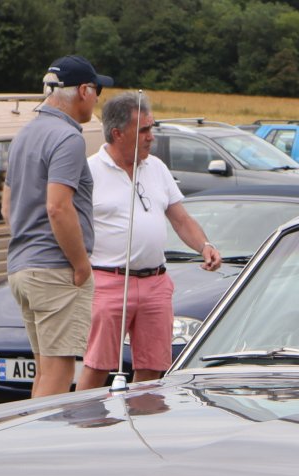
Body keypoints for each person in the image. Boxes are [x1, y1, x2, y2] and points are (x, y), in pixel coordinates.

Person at [81, 92, 222, 389]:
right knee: (98, 367)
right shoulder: (90, 171)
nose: (151, 137)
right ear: (118, 133)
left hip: (155, 283)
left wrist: (204, 245)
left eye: (151, 128)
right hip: (109, 281)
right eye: (144, 130)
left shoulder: (156, 168)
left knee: (152, 368)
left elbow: (180, 218)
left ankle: (142, 424)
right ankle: (86, 428)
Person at [2, 55, 113, 398]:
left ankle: (30, 441)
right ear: (83, 91)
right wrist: (80, 264)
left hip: (22, 266)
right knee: (60, 368)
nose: (97, 99)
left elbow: (7, 206)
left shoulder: (25, 133)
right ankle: (42, 446)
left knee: (44, 368)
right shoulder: (68, 138)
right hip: (54, 269)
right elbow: (58, 206)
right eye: (96, 90)